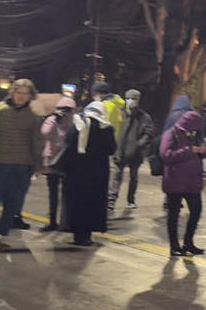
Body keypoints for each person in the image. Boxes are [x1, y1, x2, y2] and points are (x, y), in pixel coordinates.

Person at [0, 80, 42, 251]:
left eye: (25, 93)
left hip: (21, 167)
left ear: (30, 96)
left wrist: (38, 165)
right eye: (19, 92)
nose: (21, 96)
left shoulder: (32, 117)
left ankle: (1, 236)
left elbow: (37, 143)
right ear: (12, 92)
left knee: (12, 204)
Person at [159, 96, 206, 256]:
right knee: (173, 214)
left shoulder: (194, 135)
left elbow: (203, 151)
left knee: (196, 210)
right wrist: (189, 151)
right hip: (175, 180)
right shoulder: (170, 134)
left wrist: (203, 150)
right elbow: (166, 155)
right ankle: (174, 246)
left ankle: (188, 242)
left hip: (192, 181)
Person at [66, 99, 114, 246]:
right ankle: (86, 235)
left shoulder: (78, 123)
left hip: (77, 171)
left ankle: (77, 233)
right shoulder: (106, 128)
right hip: (97, 172)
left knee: (78, 201)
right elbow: (111, 149)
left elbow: (69, 144)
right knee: (93, 202)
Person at [109, 89, 156, 213]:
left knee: (133, 177)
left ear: (138, 100)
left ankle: (131, 200)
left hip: (135, 152)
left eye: (134, 99)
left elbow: (149, 132)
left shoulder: (144, 116)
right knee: (116, 176)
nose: (131, 101)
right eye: (129, 98)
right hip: (120, 150)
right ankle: (111, 200)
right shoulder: (120, 113)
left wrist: (139, 144)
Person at [38, 97, 76, 232]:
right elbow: (44, 133)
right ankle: (52, 221)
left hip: (67, 162)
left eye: (67, 110)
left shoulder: (74, 122)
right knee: (52, 193)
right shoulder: (52, 121)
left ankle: (66, 223)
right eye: (61, 109)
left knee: (67, 193)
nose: (64, 113)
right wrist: (53, 119)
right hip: (52, 161)